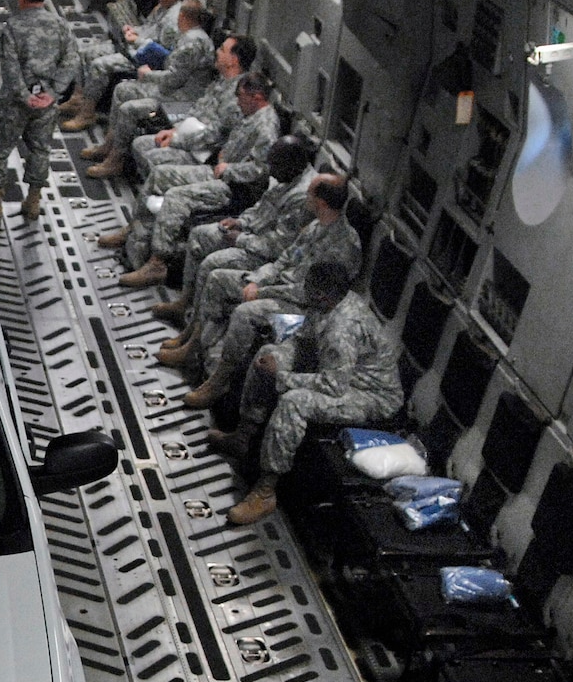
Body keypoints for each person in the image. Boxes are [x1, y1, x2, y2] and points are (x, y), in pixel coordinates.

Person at [216, 258, 401, 525]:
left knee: (295, 402)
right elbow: (307, 338)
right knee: (269, 354)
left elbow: (333, 386)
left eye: (309, 288)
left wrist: (281, 377)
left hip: (371, 395)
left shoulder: (343, 330)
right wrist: (278, 358)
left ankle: (266, 490)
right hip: (340, 375)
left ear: (322, 296)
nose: (305, 291)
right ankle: (244, 436)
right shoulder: (329, 303)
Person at [182, 172, 362, 410]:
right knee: (217, 279)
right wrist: (258, 280)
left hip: (304, 310)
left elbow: (313, 294)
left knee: (245, 314)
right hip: (280, 289)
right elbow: (284, 259)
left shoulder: (345, 246)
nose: (306, 195)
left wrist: (265, 292)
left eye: (310, 192)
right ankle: (195, 344)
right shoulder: (315, 227)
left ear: (321, 201)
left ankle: (220, 380)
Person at [117, 73, 281, 285]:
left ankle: (157, 262)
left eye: (240, 96)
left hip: (234, 188)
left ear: (256, 96)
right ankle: (136, 229)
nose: (237, 101)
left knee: (177, 197)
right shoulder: (251, 115)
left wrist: (229, 169)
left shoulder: (266, 127)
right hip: (218, 172)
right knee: (160, 175)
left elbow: (261, 169)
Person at [152, 135, 317, 340]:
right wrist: (241, 222)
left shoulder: (300, 196)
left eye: (274, 165)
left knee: (211, 264)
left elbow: (278, 247)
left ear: (291, 164)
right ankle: (184, 302)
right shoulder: (287, 176)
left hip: (267, 255)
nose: (270, 170)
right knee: (200, 235)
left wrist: (240, 239)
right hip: (254, 235)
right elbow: (262, 207)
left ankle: (196, 333)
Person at [0, 0, 81, 225]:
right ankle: (33, 202)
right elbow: (71, 61)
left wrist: (24, 95)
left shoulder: (13, 27)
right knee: (40, 150)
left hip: (14, 103)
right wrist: (52, 94)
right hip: (46, 103)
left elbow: (10, 67)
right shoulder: (61, 26)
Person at [90, 32, 251, 189]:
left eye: (222, 50)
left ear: (233, 60)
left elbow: (212, 135)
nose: (217, 52)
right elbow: (198, 109)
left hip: (201, 151)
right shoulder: (221, 81)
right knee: (140, 144)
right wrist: (175, 130)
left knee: (151, 154)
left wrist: (175, 140)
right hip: (188, 132)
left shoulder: (236, 96)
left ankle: (158, 190)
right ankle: (152, 187)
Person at [80, 0, 213, 180]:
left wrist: (148, 75)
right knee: (123, 90)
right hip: (173, 90)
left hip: (179, 98)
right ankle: (109, 145)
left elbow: (174, 78)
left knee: (129, 109)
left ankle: (115, 160)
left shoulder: (192, 42)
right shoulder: (191, 36)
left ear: (182, 16)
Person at [59, 0, 184, 132]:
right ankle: (77, 99)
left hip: (144, 58)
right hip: (134, 46)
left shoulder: (174, 18)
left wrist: (136, 40)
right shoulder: (161, 8)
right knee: (86, 53)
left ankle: (87, 113)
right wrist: (134, 30)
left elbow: (162, 53)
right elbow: (148, 29)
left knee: (100, 65)